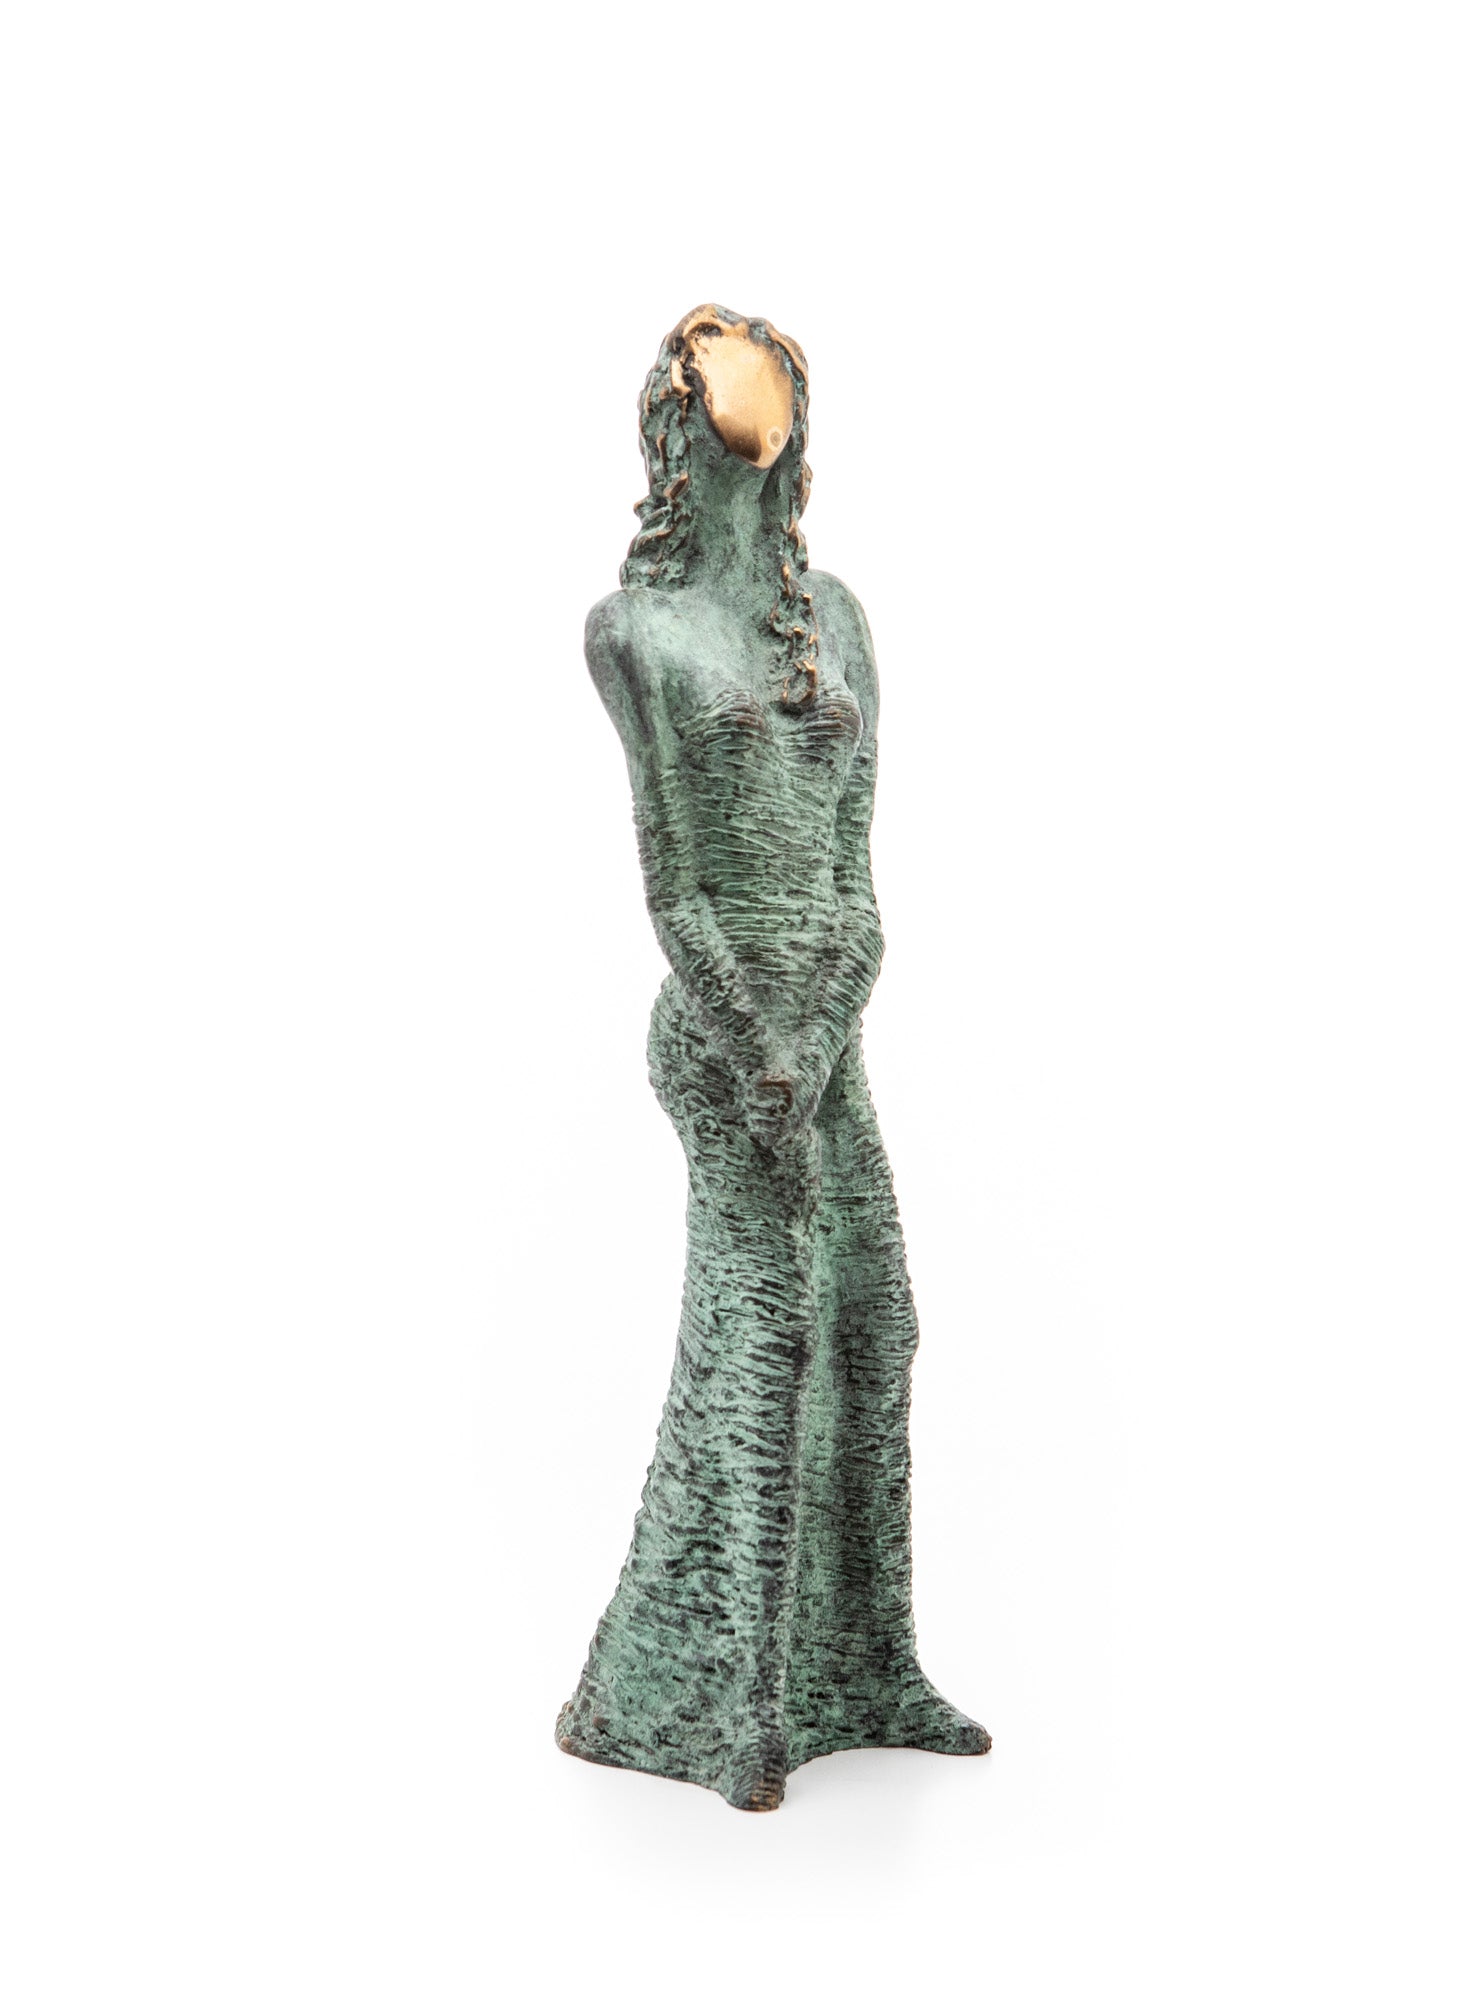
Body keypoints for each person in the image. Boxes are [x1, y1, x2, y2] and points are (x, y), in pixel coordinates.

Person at [556, 305, 988, 1811]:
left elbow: (858, 872)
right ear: (680, 426)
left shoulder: (841, 619)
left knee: (878, 1321)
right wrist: (760, 1043)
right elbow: (676, 883)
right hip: (728, 1030)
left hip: (829, 1026)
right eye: (727, 392)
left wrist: (834, 1014)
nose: (757, 416)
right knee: (771, 1332)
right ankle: (716, 1694)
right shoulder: (637, 634)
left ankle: (867, 1664)